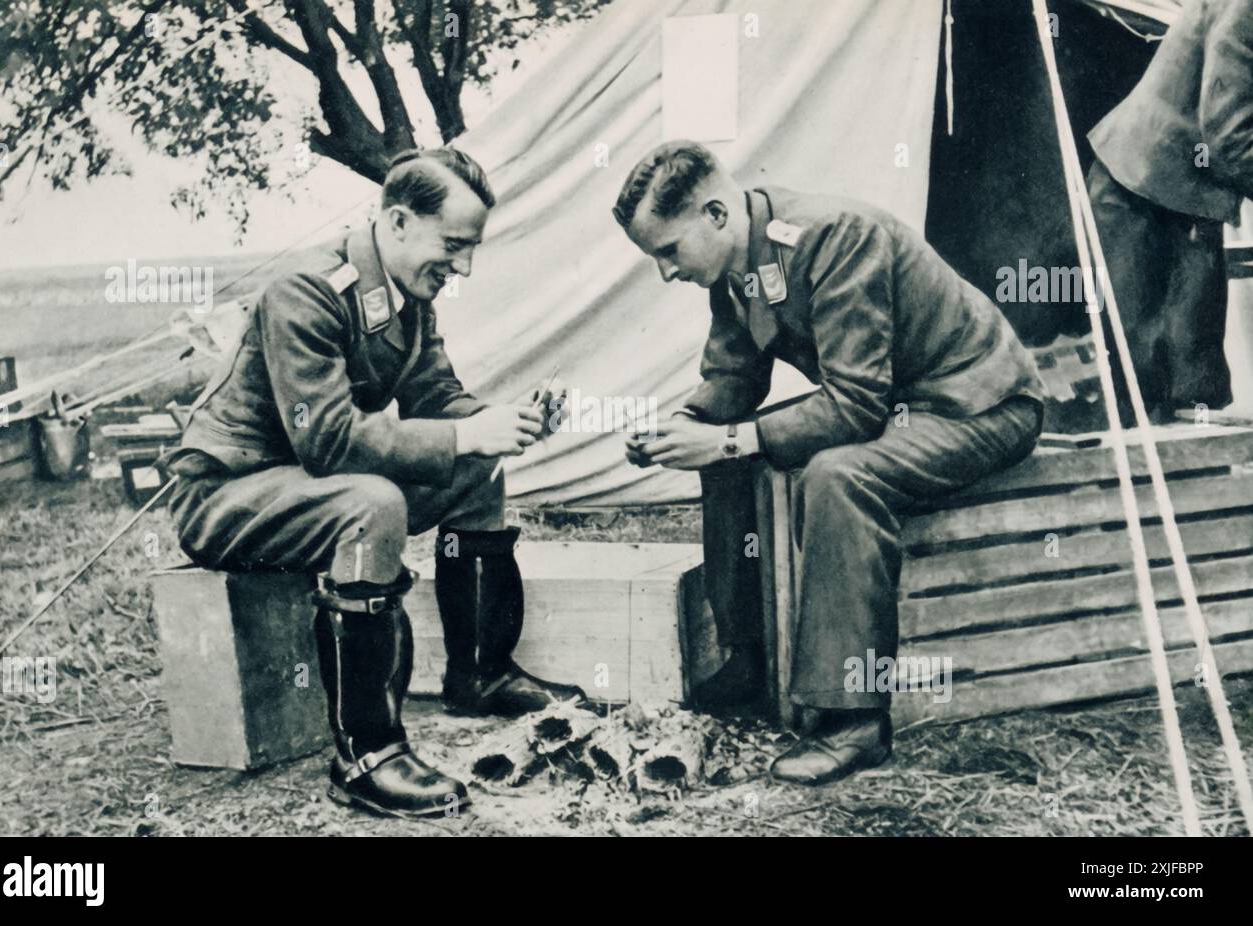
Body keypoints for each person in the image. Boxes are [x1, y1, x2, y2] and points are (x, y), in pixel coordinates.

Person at [161, 147, 583, 818]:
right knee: (373, 504)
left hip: (300, 487)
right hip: (228, 493)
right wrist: (462, 433)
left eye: (471, 249)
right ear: (397, 221)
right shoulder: (306, 290)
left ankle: (479, 672)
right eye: (452, 245)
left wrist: (503, 422)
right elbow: (326, 441)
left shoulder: (410, 297)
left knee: (477, 469)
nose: (463, 266)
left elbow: (437, 400)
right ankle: (366, 753)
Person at [613, 141, 1046, 786]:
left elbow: (855, 407)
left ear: (716, 215)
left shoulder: (834, 236)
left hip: (976, 404)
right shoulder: (736, 265)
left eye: (669, 251)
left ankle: (855, 722)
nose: (665, 272)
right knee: (725, 452)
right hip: (900, 408)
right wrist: (688, 425)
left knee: (839, 475)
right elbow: (733, 375)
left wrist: (734, 438)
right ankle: (749, 656)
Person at [1086, 0, 1253, 422]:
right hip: (1142, 192)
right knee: (1148, 387)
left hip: (1185, 199)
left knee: (1195, 380)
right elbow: (1228, 133)